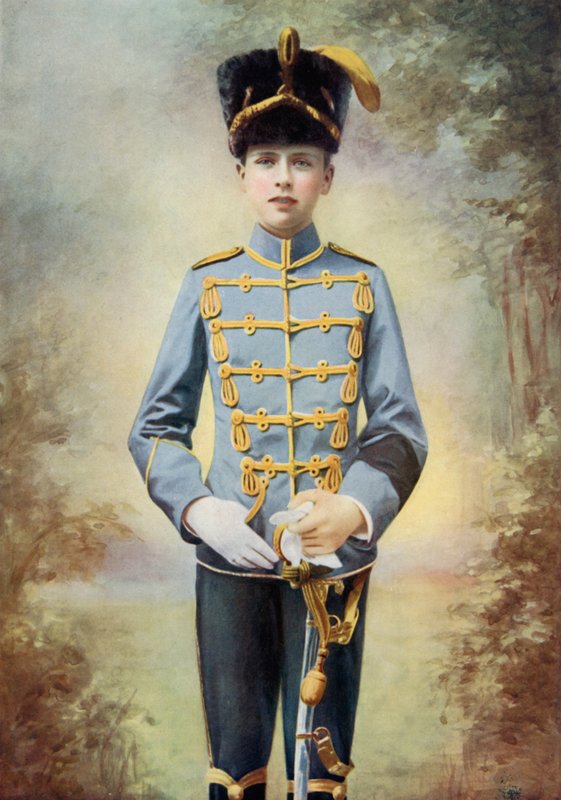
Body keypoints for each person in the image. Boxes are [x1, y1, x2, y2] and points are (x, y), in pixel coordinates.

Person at [129, 26, 427, 800]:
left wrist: (354, 509)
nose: (283, 178)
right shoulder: (208, 284)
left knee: (320, 772)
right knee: (234, 770)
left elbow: (399, 429)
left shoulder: (364, 283)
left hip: (334, 566)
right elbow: (155, 427)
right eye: (266, 161)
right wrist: (199, 509)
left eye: (301, 160)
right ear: (241, 176)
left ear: (328, 175)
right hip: (229, 562)